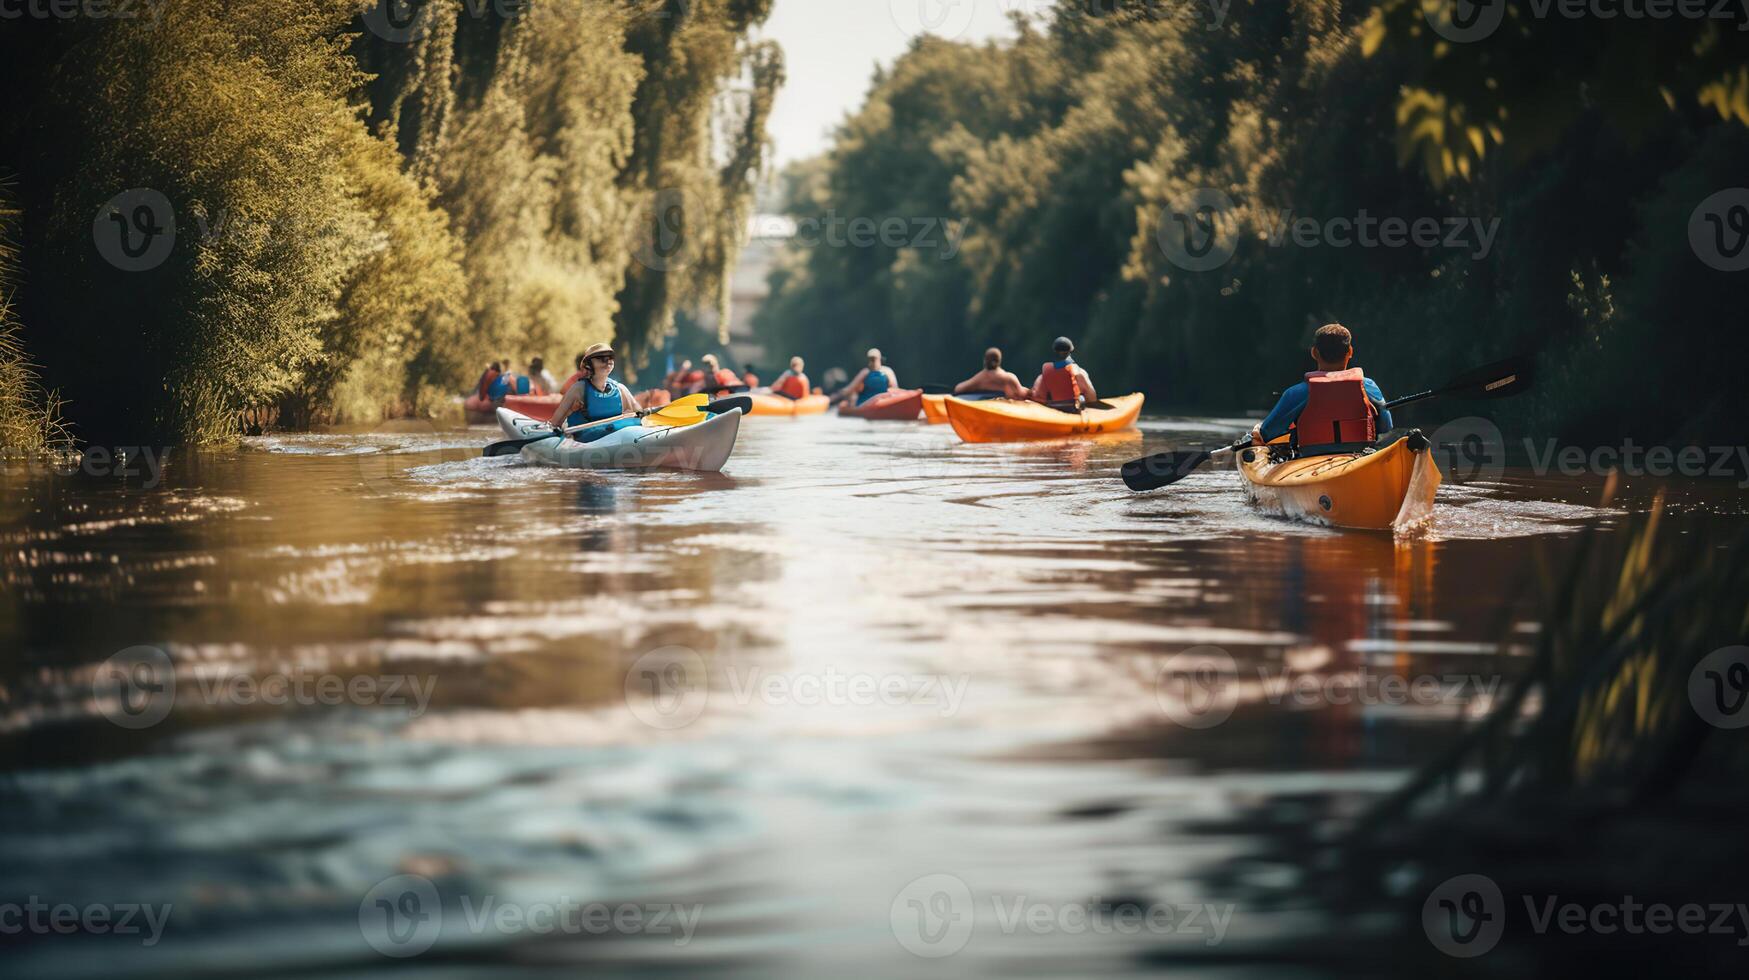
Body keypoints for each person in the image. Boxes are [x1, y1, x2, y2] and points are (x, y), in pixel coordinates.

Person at [1250, 323, 1392, 451]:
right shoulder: (1368, 386)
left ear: (1314, 353)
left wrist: (1258, 431)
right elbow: (1386, 426)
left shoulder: (1296, 393)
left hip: (1309, 463)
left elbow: (1268, 432)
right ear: (1350, 352)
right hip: (1360, 456)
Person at [548, 343, 645, 443]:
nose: (608, 361)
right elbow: (555, 423)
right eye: (601, 358)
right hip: (586, 443)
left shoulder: (620, 389)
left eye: (611, 357)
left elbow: (640, 415)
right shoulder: (579, 389)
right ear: (589, 364)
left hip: (616, 441)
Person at [1030, 337, 1098, 406]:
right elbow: (1092, 397)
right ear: (1070, 352)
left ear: (1055, 352)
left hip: (1052, 410)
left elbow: (1037, 397)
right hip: (1073, 409)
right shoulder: (1079, 373)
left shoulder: (1043, 376)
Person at [954, 347, 1029, 399]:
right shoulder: (1009, 378)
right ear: (999, 361)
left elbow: (958, 389)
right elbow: (1023, 394)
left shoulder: (980, 378)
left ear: (985, 361)